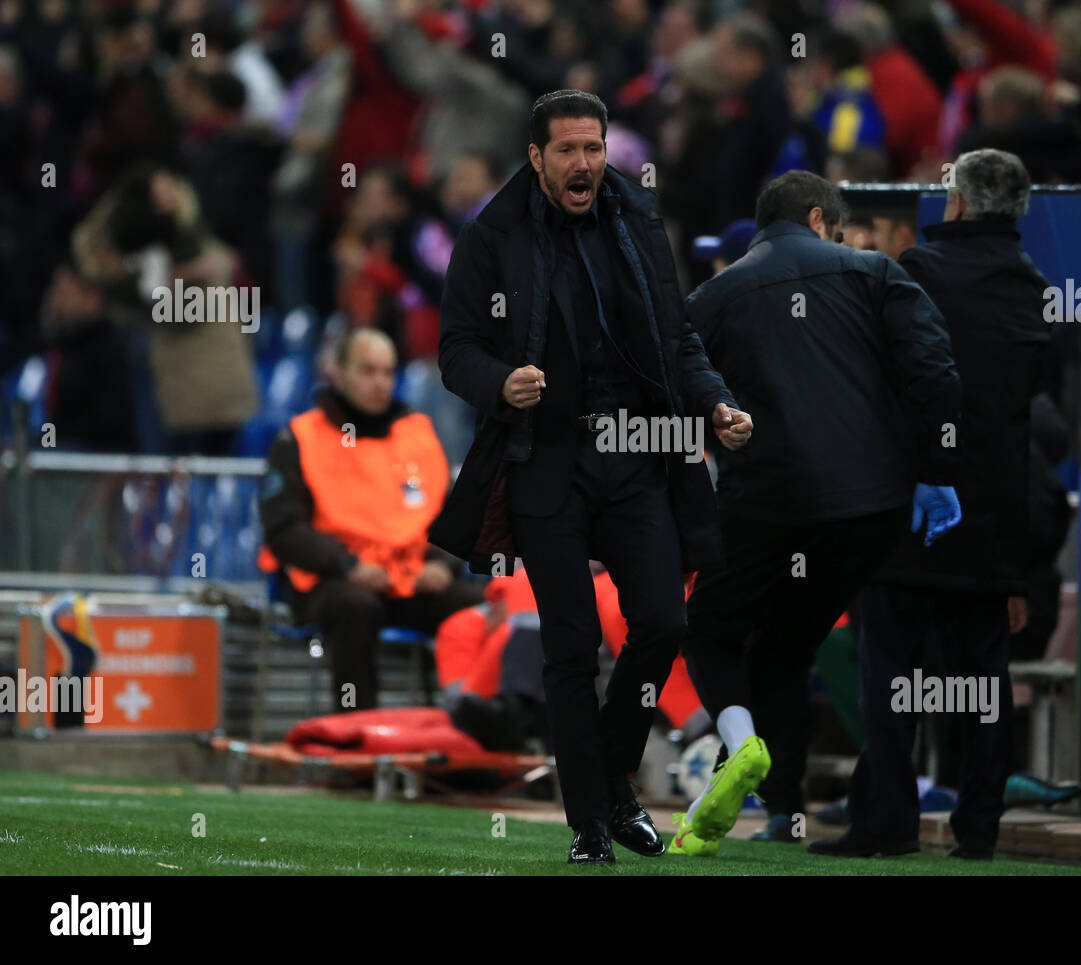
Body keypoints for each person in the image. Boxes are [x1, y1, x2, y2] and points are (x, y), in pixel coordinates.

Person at [430, 89, 751, 864]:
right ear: (535, 157)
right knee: (571, 644)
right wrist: (501, 382)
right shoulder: (492, 234)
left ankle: (612, 779)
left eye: (594, 148)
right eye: (568, 150)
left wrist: (715, 402)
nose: (584, 164)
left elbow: (677, 337)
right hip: (544, 460)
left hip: (638, 452)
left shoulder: (638, 220)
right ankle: (588, 822)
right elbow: (456, 350)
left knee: (665, 624)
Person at [671, 169, 962, 856]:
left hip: (765, 501)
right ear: (819, 217)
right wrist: (935, 473)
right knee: (790, 643)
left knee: (709, 628)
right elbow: (934, 370)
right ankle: (796, 810)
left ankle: (747, 755)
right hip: (873, 507)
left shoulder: (712, 295)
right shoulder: (876, 275)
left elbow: (673, 393)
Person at [814, 148, 1050, 861]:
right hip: (994, 513)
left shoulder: (918, 273)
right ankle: (978, 827)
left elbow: (876, 374)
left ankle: (886, 822)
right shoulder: (1033, 288)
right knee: (981, 679)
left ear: (956, 204)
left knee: (892, 670)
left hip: (912, 502)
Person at [259, 328, 483, 711]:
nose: (380, 383)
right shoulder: (299, 438)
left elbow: (453, 516)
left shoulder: (418, 433)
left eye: (387, 372)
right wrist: (347, 566)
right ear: (339, 372)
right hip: (333, 582)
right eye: (368, 371)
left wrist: (443, 564)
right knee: (357, 608)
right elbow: (283, 528)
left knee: (479, 610)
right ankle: (355, 746)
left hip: (411, 580)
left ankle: (474, 743)